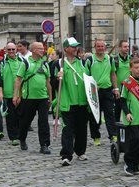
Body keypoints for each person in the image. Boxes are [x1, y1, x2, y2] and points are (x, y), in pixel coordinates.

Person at [54, 37, 89, 166]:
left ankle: (80, 152)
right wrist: (57, 78)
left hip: (82, 101)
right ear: (66, 49)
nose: (76, 49)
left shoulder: (83, 63)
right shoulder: (58, 64)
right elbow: (52, 83)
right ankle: (66, 155)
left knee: (81, 129)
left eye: (76, 47)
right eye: (73, 47)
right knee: (67, 130)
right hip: (67, 101)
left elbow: (89, 80)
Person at [13, 42, 52, 154]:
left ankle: (44, 145)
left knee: (43, 122)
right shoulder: (25, 63)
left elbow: (48, 82)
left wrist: (50, 98)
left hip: (43, 97)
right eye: (40, 49)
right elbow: (18, 80)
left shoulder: (45, 64)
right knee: (26, 120)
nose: (43, 51)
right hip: (29, 98)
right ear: (34, 50)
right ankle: (22, 138)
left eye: (43, 49)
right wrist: (15, 95)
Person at [85, 39, 119, 145]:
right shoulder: (90, 60)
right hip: (95, 91)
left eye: (102, 46)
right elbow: (86, 76)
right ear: (95, 48)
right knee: (95, 116)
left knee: (110, 114)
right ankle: (96, 137)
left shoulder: (110, 59)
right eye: (98, 46)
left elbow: (113, 74)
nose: (100, 48)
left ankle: (113, 135)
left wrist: (116, 88)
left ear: (105, 47)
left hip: (107, 90)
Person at [0, 42, 23, 146]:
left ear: (16, 49)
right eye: (9, 50)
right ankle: (14, 137)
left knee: (21, 116)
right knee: (11, 117)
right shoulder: (2, 62)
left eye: (13, 49)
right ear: (5, 50)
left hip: (21, 94)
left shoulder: (21, 61)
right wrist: (0, 92)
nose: (11, 51)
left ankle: (21, 135)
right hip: (8, 94)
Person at [17, 40, 34, 131]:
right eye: (18, 46)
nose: (18, 48)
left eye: (20, 46)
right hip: (19, 80)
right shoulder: (17, 56)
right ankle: (21, 122)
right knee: (20, 105)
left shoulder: (31, 56)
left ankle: (28, 122)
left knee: (28, 106)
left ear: (26, 46)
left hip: (29, 82)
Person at [114, 40, 130, 122]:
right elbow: (113, 75)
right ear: (120, 48)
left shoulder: (131, 59)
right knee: (117, 113)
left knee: (129, 112)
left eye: (128, 46)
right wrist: (115, 88)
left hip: (129, 91)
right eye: (125, 47)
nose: (127, 48)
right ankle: (115, 133)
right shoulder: (115, 60)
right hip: (118, 91)